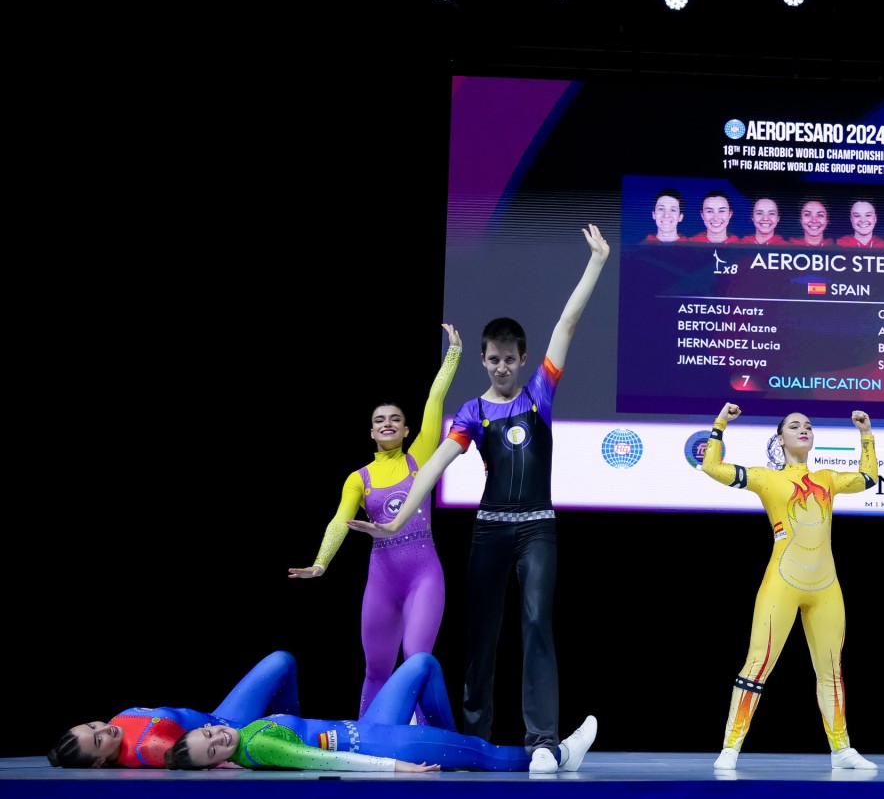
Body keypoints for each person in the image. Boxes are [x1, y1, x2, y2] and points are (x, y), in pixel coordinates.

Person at [349, 224, 612, 774]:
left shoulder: (539, 394)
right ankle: (475, 741)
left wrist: (595, 262)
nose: (501, 367)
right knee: (481, 638)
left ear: (522, 358)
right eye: (493, 359)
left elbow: (566, 323)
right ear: (484, 360)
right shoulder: (471, 412)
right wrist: (395, 522)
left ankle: (543, 742)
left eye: (509, 359)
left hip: (538, 529)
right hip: (490, 531)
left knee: (536, 624)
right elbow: (435, 467)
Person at [288, 324, 462, 723]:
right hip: (382, 580)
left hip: (423, 576)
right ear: (371, 431)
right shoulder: (358, 478)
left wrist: (453, 353)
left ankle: (434, 741)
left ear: (405, 429)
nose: (387, 423)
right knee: (377, 669)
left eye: (395, 419)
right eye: (380, 419)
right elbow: (339, 520)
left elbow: (435, 398)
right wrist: (321, 563)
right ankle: (366, 740)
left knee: (417, 661)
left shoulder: (420, 455)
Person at [697, 402, 879, 773]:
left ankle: (842, 749)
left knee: (831, 670)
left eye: (808, 425)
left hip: (826, 587)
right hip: (782, 582)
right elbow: (712, 467)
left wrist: (866, 435)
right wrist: (720, 424)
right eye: (794, 426)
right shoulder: (767, 478)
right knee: (758, 663)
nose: (803, 429)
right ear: (779, 439)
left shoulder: (828, 478)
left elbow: (869, 478)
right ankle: (730, 747)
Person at [165, 652, 599, 773]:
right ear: (216, 765)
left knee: (422, 664)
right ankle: (560, 755)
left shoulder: (243, 737)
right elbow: (328, 761)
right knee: (488, 755)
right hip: (388, 745)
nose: (217, 737)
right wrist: (398, 767)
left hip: (370, 727)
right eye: (212, 751)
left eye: (208, 734)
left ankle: (457, 751)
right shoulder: (260, 745)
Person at [46, 650, 301, 768]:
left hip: (220, 717)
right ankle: (295, 731)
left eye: (93, 726)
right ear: (99, 762)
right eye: (98, 741)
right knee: (281, 661)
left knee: (282, 660)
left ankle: (294, 725)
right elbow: (203, 755)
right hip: (239, 731)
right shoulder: (148, 748)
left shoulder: (116, 724)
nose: (104, 730)